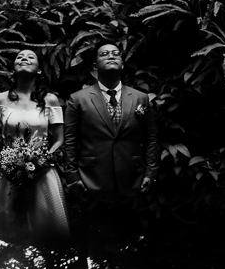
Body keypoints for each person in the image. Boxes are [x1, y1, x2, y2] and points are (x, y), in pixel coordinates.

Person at [0, 49, 71, 245]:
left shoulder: (50, 100)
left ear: (39, 70)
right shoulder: (0, 99)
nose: (24, 58)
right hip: (6, 172)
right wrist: (5, 161)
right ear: (13, 69)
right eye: (19, 57)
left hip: (42, 172)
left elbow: (59, 139)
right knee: (5, 229)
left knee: (45, 228)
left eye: (31, 57)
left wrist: (43, 162)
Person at [64, 41, 159, 203]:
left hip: (133, 180)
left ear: (122, 64)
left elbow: (150, 138)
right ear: (95, 66)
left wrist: (151, 172)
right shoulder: (78, 99)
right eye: (104, 54)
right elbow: (70, 140)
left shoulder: (140, 98)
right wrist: (72, 176)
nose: (111, 56)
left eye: (116, 54)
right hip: (91, 180)